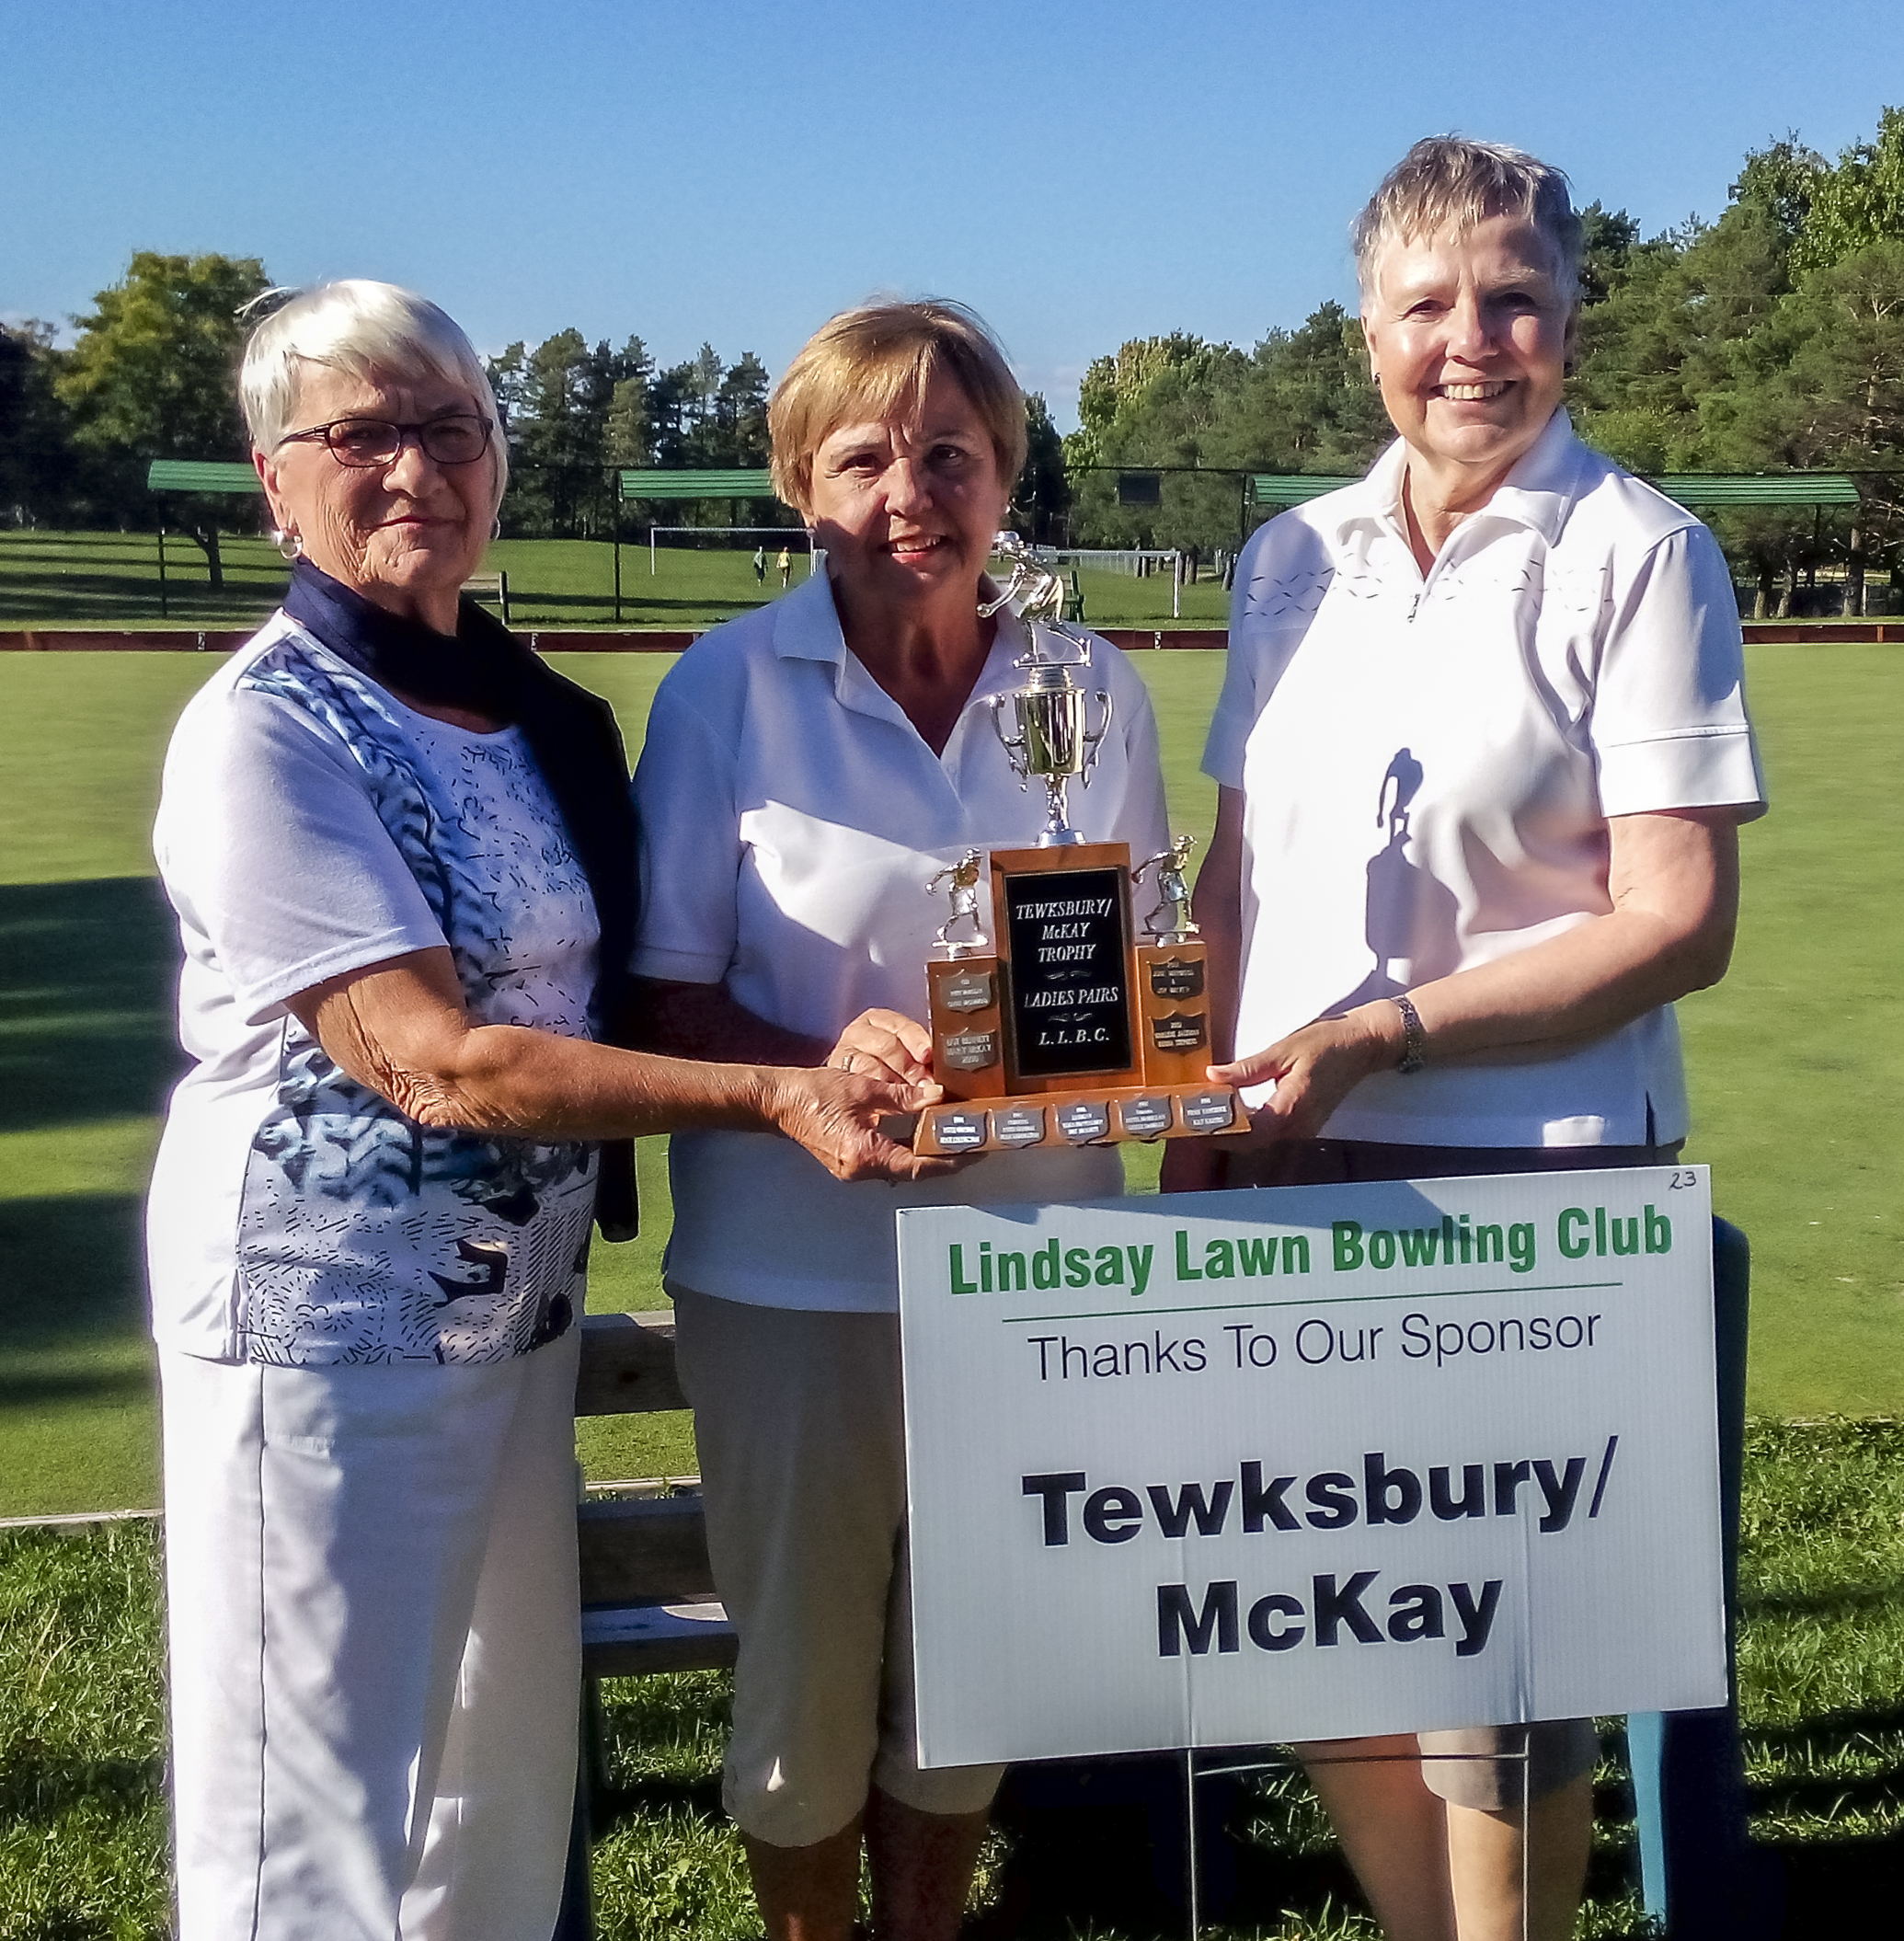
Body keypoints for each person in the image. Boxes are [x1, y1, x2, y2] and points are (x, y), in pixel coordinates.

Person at [146, 279, 942, 1941]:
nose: (414, 468)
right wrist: (779, 1086)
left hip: (502, 1323)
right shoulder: (265, 731)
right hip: (319, 1326)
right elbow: (436, 1058)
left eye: (451, 428)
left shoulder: (507, 706)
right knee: (317, 1817)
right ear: (273, 475)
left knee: (487, 1804)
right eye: (358, 435)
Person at [1162, 138, 1766, 1941]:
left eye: (1513, 296)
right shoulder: (1290, 557)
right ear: (1369, 336)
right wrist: (1198, 1098)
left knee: (1503, 1686)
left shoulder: (1639, 551)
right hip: (1283, 1166)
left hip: (1538, 1188)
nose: (1472, 339)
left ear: (1571, 318)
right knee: (1316, 1628)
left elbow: (1676, 917)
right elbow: (1233, 874)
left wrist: (1387, 1030)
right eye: (1430, 303)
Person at [630, 298, 1172, 1941]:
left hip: (1040, 1261)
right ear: (800, 482)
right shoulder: (724, 690)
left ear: (1005, 476)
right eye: (862, 454)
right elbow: (658, 1004)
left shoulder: (1091, 688)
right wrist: (818, 1060)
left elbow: (1132, 965)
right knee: (799, 1701)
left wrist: (1134, 1041)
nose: (908, 490)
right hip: (795, 1280)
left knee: (968, 1686)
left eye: (950, 453)